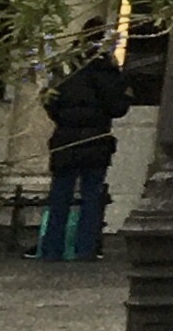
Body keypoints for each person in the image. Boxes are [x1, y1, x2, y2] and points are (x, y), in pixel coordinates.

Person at [33, 43, 132, 263]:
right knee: (91, 197)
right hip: (95, 139)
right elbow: (119, 107)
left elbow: (50, 103)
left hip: (66, 138)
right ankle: (85, 249)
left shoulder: (65, 73)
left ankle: (51, 248)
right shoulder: (107, 73)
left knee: (60, 195)